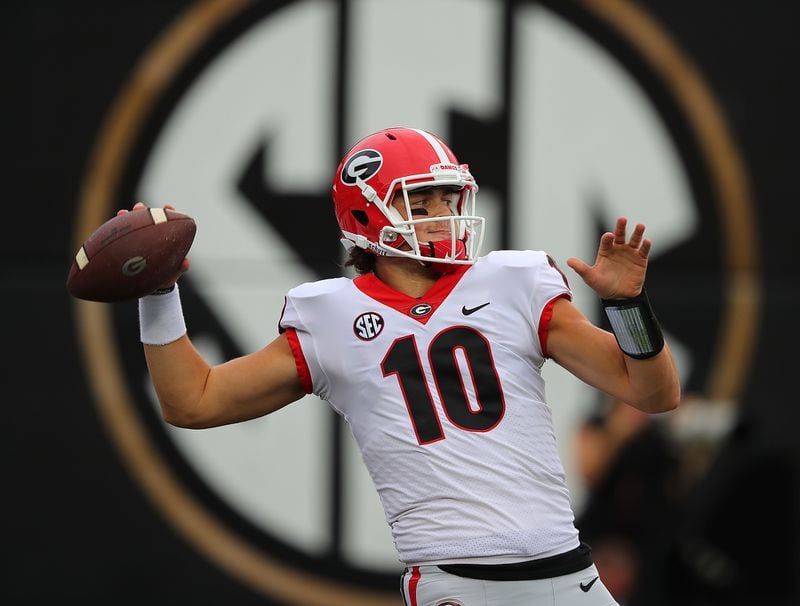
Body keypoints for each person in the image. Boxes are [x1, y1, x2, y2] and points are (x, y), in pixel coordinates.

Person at [129, 126, 680, 606]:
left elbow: (654, 394)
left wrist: (628, 306)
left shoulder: (513, 282)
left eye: (447, 197)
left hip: (569, 574)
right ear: (367, 216)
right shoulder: (330, 317)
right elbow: (192, 401)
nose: (443, 215)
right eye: (421, 203)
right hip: (461, 586)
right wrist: (158, 292)